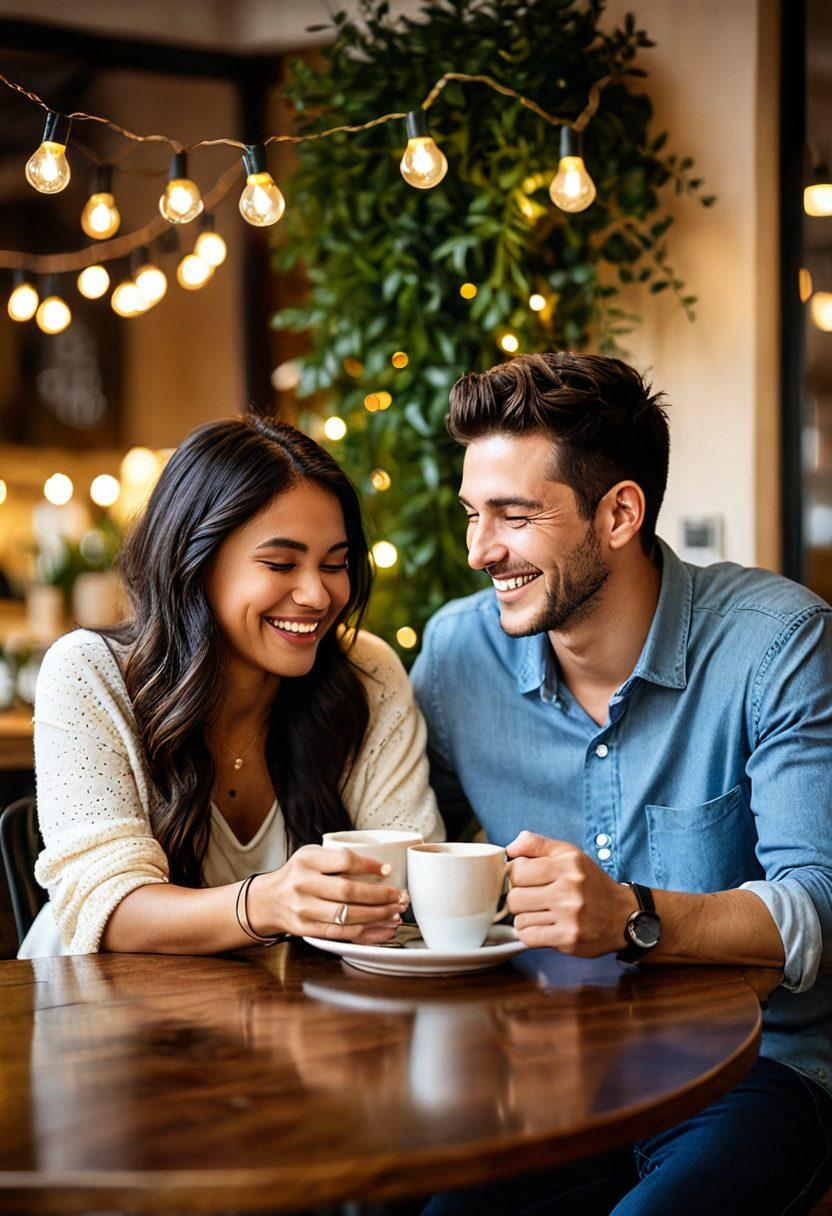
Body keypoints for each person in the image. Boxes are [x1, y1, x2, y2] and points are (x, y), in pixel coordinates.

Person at [411, 352, 832, 1215]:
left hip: (758, 1070)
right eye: (473, 514)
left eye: (514, 515)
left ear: (619, 513)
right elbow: (422, 846)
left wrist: (633, 915)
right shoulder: (456, 655)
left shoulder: (777, 644)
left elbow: (819, 904)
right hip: (545, 1068)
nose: (480, 550)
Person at [20, 409, 441, 959]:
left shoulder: (366, 673)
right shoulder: (88, 673)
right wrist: (266, 903)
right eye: (281, 564)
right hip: (88, 1001)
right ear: (195, 561)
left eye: (334, 564)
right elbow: (105, 909)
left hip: (273, 1005)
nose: (317, 596)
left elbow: (409, 874)